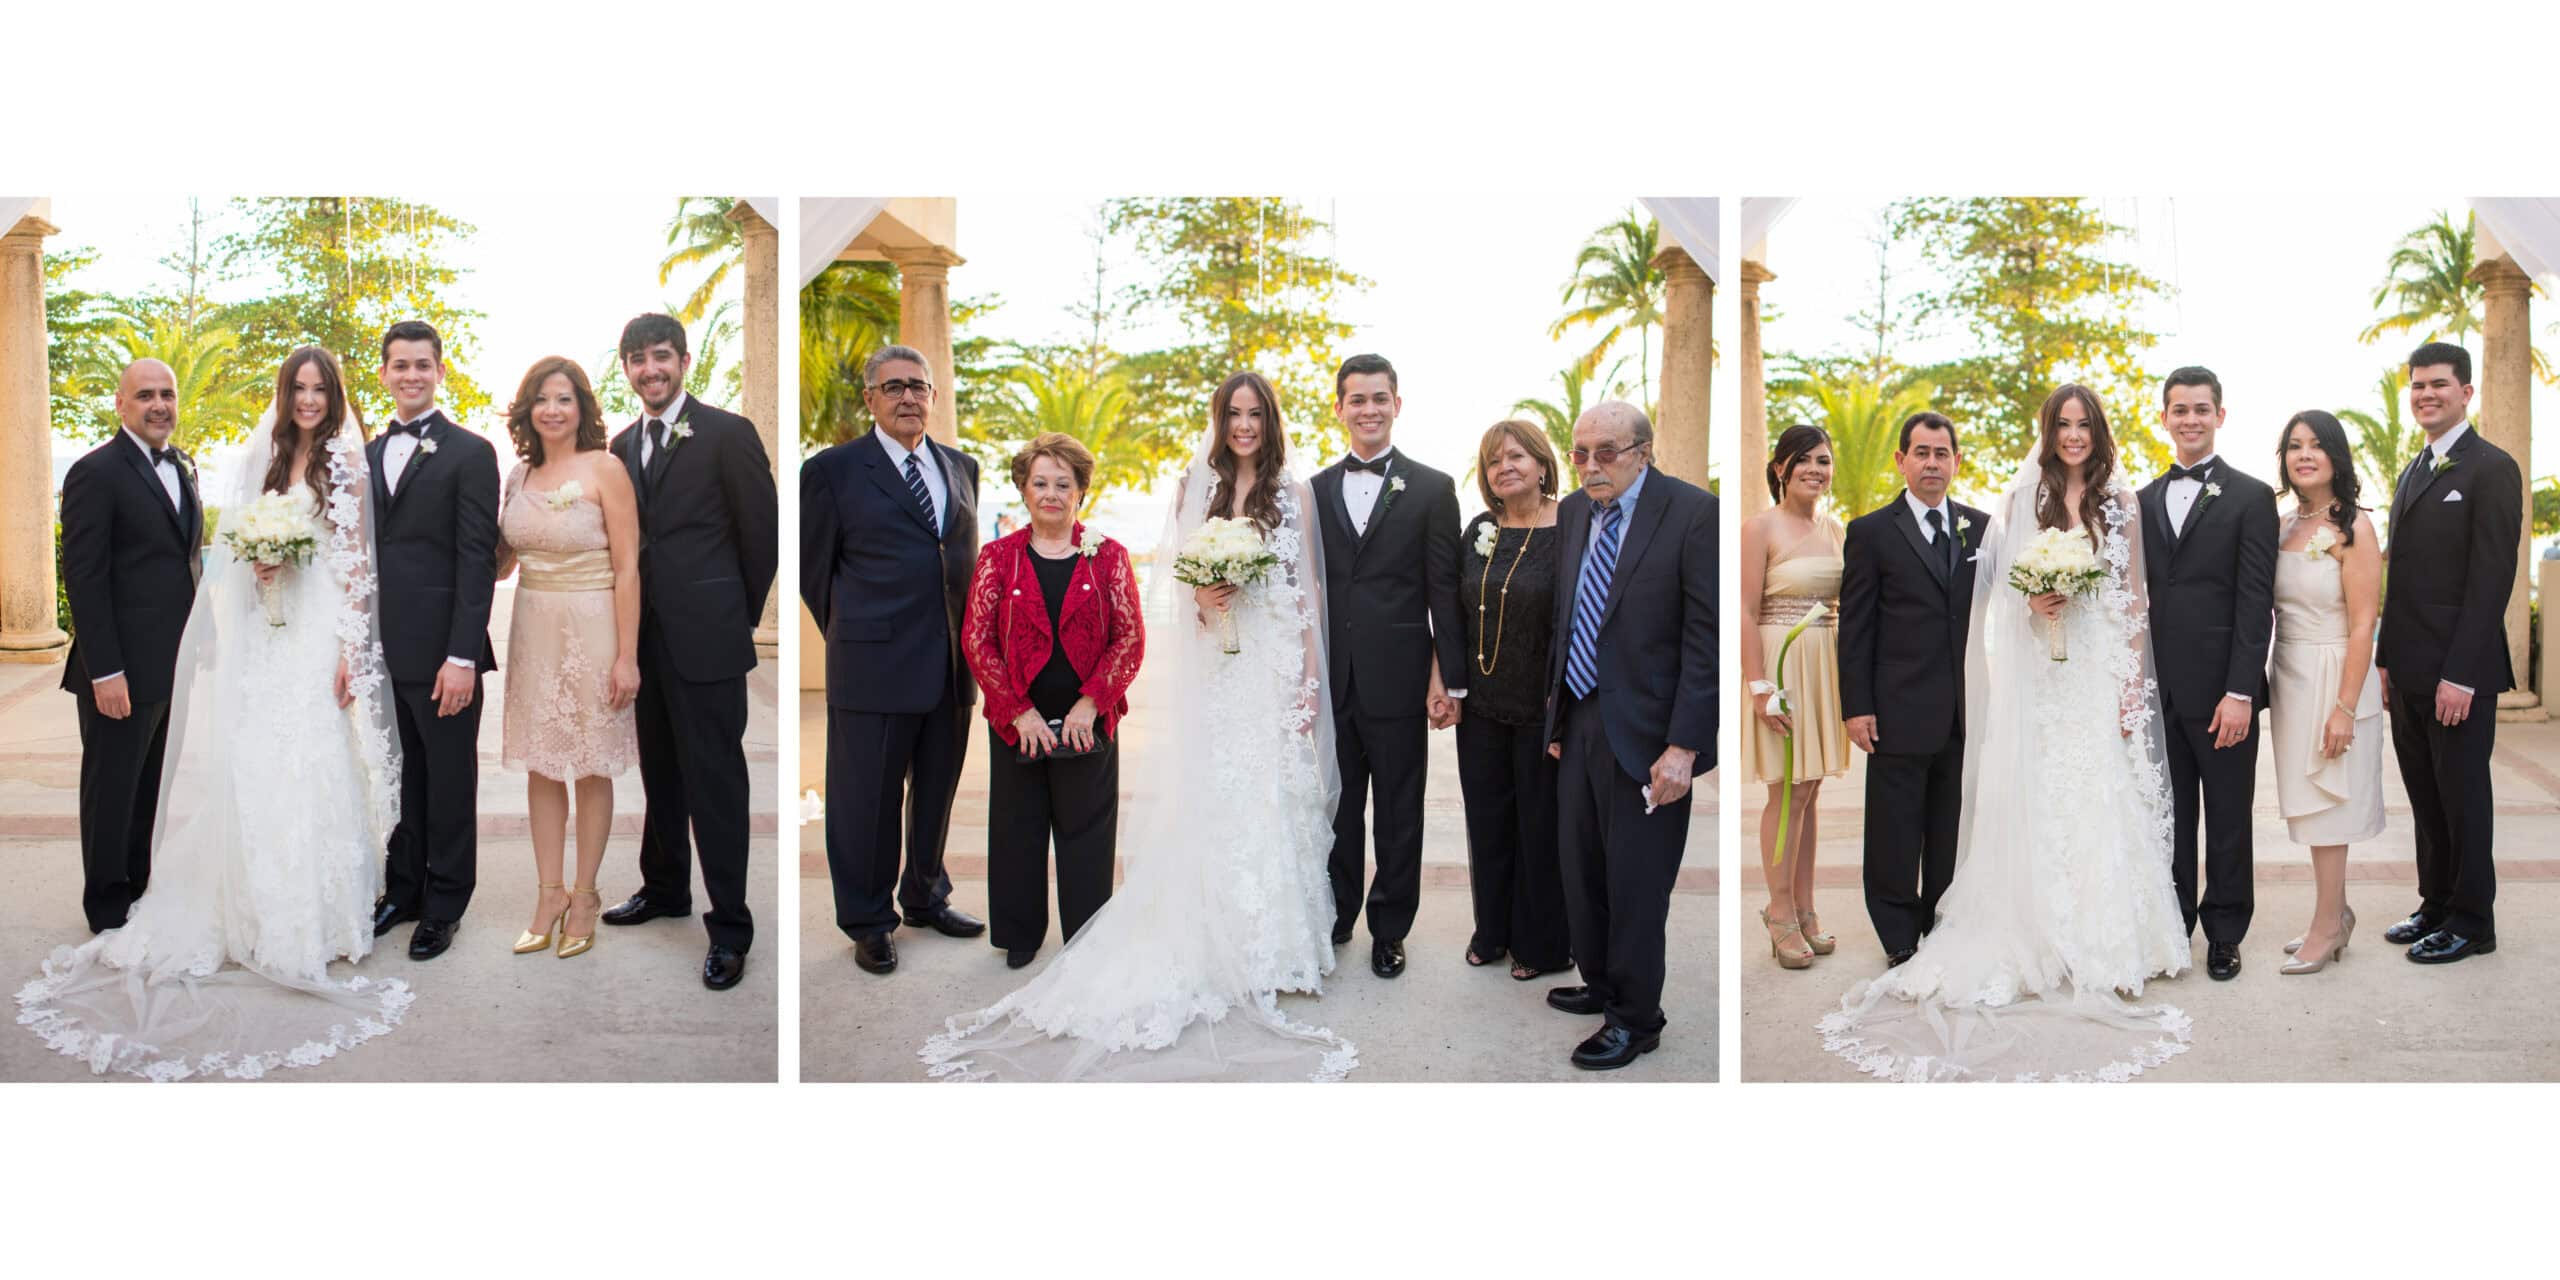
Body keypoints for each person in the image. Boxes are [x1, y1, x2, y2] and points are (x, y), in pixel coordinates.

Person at [922, 371, 1350, 1081]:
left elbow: (1307, 594)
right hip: (1218, 667)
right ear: (1219, 420)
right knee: (1214, 799)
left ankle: (1277, 945)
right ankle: (1213, 940)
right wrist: (1207, 607)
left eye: (1254, 414)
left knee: (1274, 801)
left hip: (1271, 665)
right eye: (1233, 413)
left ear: (1270, 421)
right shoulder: (1193, 492)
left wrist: (1307, 680)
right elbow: (1174, 597)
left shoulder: (1293, 496)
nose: (1243, 425)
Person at [20, 346, 412, 1079]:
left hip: (311, 634)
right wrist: (259, 562)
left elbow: (356, 566)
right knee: (227, 770)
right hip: (237, 646)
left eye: (318, 388)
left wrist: (348, 651)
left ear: (334, 394)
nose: (306, 399)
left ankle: (303, 913)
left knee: (307, 765)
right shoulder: (248, 459)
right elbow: (188, 560)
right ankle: (129, 903)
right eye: (296, 387)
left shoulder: (340, 463)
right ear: (123, 403)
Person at [1821, 385, 2191, 1082]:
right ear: (2047, 432)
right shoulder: (2023, 502)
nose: (2074, 435)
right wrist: (2036, 602)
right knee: (2041, 798)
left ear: (2098, 431)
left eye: (2084, 424)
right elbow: (2000, 600)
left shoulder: (2121, 501)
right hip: (2046, 678)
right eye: (2063, 424)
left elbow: (2135, 597)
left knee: (2098, 801)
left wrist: (2131, 685)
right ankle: (2027, 932)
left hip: (2099, 669)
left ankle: (2105, 940)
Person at [595, 315, 776, 990]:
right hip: (642, 642)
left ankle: (730, 926)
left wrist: (732, 616)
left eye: (661, 356)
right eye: (638, 360)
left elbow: (761, 536)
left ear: (684, 360)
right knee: (662, 774)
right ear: (627, 369)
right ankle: (664, 886)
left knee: (717, 784)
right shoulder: (620, 444)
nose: (650, 370)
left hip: (710, 640)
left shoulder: (728, 433)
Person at [1541, 402, 1717, 1071]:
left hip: (1650, 736)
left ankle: (1637, 1018)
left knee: (1638, 884)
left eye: (1606, 451)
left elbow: (1705, 642)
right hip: (1581, 719)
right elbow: (1567, 620)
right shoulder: (1574, 512)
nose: (1589, 466)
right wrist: (1558, 720)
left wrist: (1683, 747)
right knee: (1582, 871)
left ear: (1644, 449)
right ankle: (1603, 980)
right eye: (1580, 452)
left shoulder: (1694, 513)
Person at [803, 344, 983, 977]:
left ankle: (926, 897)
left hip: (951, 666)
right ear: (871, 399)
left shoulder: (962, 466)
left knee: (935, 792)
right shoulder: (832, 471)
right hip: (872, 666)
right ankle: (869, 920)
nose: (909, 397)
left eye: (920, 386)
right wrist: (857, 637)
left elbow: (960, 563)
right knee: (866, 804)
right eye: (895, 386)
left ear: (933, 396)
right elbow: (814, 574)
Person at [959, 433, 1145, 970]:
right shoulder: (998, 557)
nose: (1051, 493)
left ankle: (1087, 936)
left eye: (1064, 484)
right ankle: (1019, 933)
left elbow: (1129, 638)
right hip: (1018, 717)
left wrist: (1092, 703)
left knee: (1087, 830)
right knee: (1018, 825)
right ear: (1023, 489)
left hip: (1090, 719)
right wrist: (1019, 712)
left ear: (1081, 491)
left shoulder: (1107, 556)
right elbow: (977, 639)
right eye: (1040, 482)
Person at [1310, 353, 1467, 980]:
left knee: (1401, 812)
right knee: (1337, 808)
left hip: (1401, 680)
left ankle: (1390, 928)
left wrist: (1446, 677)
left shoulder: (1432, 487)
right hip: (1333, 680)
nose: (1369, 409)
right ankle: (1337, 914)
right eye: (1357, 399)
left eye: (1380, 398)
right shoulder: (1314, 490)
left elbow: (1444, 592)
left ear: (1396, 405)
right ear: (1340, 408)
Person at [2374, 341, 2521, 964]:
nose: (2426, 394)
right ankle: (2435, 902)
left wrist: (2460, 674)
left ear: (2466, 392)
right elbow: (2400, 577)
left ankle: (2472, 920)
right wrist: (2386, 660)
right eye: (2418, 386)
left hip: (2457, 673)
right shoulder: (2414, 468)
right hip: (2407, 669)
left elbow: (2491, 580)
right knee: (2426, 796)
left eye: (2439, 384)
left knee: (2462, 797)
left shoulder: (2491, 468)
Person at [495, 357, 642, 960]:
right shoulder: (518, 476)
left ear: (581, 407)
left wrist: (627, 655)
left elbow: (630, 566)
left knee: (589, 763)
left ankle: (585, 895)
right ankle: (548, 892)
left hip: (593, 624)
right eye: (541, 399)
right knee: (540, 762)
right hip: (532, 625)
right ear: (527, 409)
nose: (552, 410)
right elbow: (501, 560)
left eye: (564, 399)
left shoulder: (605, 468)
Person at [2135, 366, 2277, 981]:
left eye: (2200, 408)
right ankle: (2171, 930)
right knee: (2166, 822)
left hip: (2224, 694)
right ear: (2163, 418)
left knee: (2226, 818)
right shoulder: (2137, 502)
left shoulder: (2250, 496)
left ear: (2220, 415)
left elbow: (2255, 601)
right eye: (2178, 409)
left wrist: (2241, 690)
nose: (2189, 419)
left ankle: (2224, 933)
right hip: (2156, 692)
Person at [368, 320, 500, 962]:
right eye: (400, 365)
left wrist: (462, 656)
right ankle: (403, 889)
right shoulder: (366, 454)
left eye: (423, 364)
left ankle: (445, 904)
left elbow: (476, 561)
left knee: (449, 782)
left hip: (445, 653)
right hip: (379, 654)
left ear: (440, 371)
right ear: (385, 373)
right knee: (399, 780)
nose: (411, 375)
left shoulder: (471, 454)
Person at [56, 358, 200, 935]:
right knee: (111, 790)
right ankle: (108, 906)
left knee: (149, 789)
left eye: (167, 394)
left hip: (170, 666)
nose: (159, 404)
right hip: (117, 669)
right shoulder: (96, 472)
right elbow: (84, 578)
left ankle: (140, 888)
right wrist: (105, 671)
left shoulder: (183, 466)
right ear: (121, 404)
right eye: (145, 395)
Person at [1837, 413, 1985, 966]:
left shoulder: (1982, 527)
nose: (1932, 463)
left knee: (1949, 828)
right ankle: (1898, 933)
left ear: (1956, 461)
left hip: (1963, 710)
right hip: (1896, 710)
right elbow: (1856, 627)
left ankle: (1941, 922)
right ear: (1901, 461)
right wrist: (1857, 707)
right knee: (1895, 832)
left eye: (1941, 453)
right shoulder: (1871, 532)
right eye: (1921, 453)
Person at [2267, 410, 2383, 974]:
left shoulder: (2355, 526)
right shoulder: (2284, 525)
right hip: (2289, 674)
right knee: (2311, 810)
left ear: (2336, 455)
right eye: (2294, 446)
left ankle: (2326, 927)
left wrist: (2343, 708)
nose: (2304, 455)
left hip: (2335, 673)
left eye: (2316, 445)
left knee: (2330, 807)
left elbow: (2364, 623)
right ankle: (2335, 914)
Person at [1453, 419, 1568, 981]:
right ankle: (1492, 931)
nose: (1506, 467)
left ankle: (1543, 943)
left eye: (1518, 456)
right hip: (1480, 705)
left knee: (1539, 825)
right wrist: (1443, 684)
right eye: (1495, 460)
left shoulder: (1573, 525)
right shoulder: (1479, 527)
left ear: (1543, 465)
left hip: (1544, 707)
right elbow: (1452, 613)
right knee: (1488, 819)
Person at [1741, 425, 1849, 970]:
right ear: (1781, 468)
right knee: (1785, 792)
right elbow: (1741, 608)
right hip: (1779, 664)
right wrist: (1759, 687)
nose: (1815, 469)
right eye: (1803, 459)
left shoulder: (1836, 530)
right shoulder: (1759, 527)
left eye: (1824, 460)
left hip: (1822, 663)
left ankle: (1806, 908)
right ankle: (1778, 911)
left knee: (1809, 791)